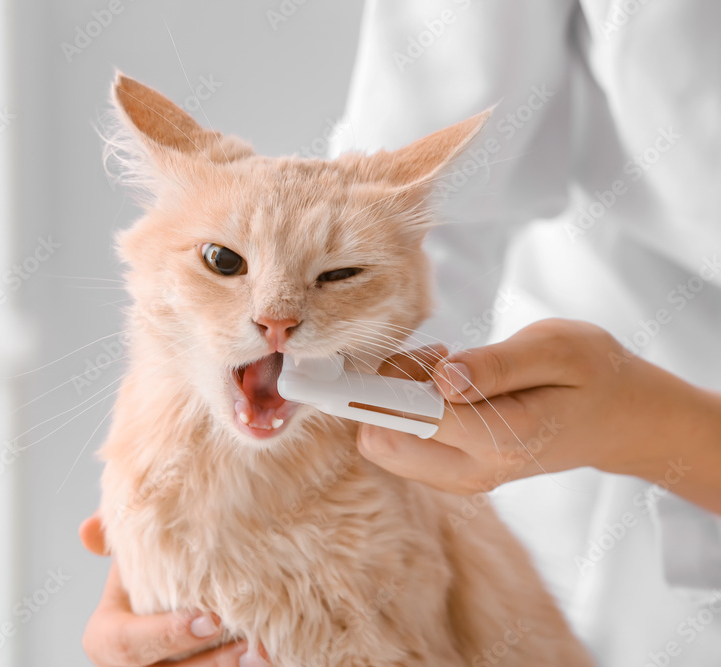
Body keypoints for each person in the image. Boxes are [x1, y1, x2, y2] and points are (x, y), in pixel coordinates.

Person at [82, 1, 721, 664]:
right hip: (610, 395)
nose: (276, 317)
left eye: (334, 274)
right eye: (224, 263)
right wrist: (180, 515)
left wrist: (649, 425)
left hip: (637, 422)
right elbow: (427, 229)